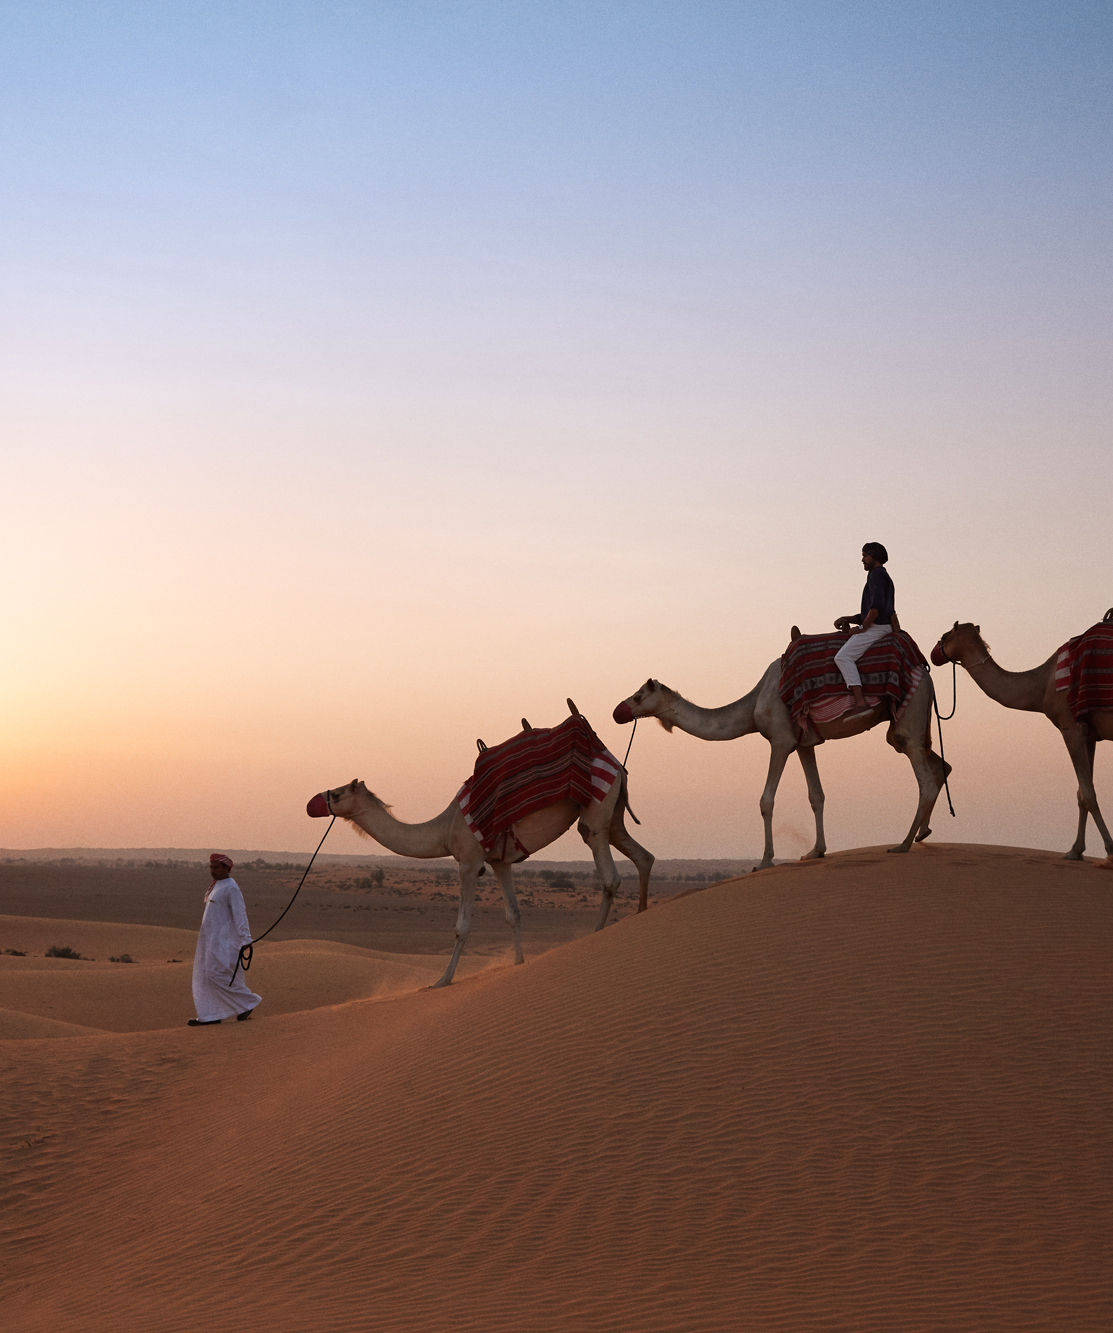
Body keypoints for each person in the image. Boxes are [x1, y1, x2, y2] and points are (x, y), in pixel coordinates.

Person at [189, 853, 261, 1026]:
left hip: (225, 942)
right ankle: (212, 1015)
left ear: (226, 868)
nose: (213, 871)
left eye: (216, 867)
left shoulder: (231, 887)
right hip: (210, 940)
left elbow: (240, 914)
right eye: (211, 867)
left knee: (216, 974)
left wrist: (246, 939)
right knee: (211, 976)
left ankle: (247, 1003)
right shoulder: (217, 886)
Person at [832, 543, 896, 718]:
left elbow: (875, 608)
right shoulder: (881, 576)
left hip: (878, 627)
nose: (862, 559)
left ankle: (860, 703)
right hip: (878, 625)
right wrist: (849, 618)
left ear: (873, 556)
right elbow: (869, 611)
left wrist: (861, 628)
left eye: (865, 555)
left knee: (843, 657)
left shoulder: (876, 575)